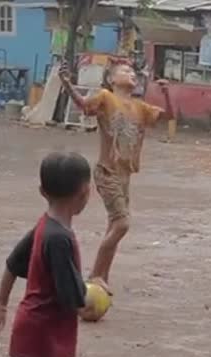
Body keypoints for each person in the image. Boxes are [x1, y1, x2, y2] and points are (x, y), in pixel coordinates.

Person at [58, 61, 174, 295]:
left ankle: (103, 277)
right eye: (124, 71)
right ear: (111, 80)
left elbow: (168, 117)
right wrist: (67, 84)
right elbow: (83, 105)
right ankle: (96, 274)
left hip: (125, 175)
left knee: (114, 225)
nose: (130, 74)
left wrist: (166, 93)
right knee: (122, 223)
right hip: (107, 171)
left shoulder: (140, 107)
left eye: (132, 72)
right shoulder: (106, 97)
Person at [0, 152, 91, 357]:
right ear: (86, 191)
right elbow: (73, 298)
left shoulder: (44, 225)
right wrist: (95, 291)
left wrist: (0, 303)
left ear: (42, 191)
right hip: (45, 338)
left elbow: (13, 263)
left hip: (32, 330)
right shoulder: (60, 239)